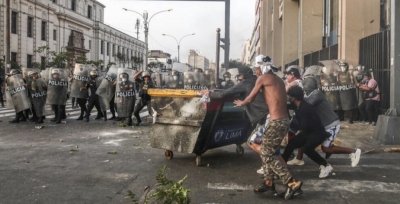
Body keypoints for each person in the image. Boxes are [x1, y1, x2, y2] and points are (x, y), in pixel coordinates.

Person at [233, 66, 302, 200]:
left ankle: (291, 182)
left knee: (266, 153)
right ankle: (269, 182)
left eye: (257, 68)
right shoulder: (279, 80)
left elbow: (251, 97)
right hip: (282, 120)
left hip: (275, 121)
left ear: (262, 67)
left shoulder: (263, 78)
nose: (256, 71)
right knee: (267, 149)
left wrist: (242, 103)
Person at [289, 77, 361, 168]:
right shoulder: (310, 95)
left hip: (330, 124)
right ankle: (299, 159)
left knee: (325, 148)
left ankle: (353, 151)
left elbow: (306, 105)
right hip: (321, 126)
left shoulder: (317, 94)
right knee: (302, 135)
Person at [281, 86, 333, 179]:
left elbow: (303, 126)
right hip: (309, 131)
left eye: (290, 96)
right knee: (292, 143)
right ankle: (282, 164)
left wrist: (289, 125)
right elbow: (287, 105)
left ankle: (325, 165)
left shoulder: (305, 108)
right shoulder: (298, 105)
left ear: (294, 97)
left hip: (317, 133)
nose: (289, 98)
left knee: (307, 149)